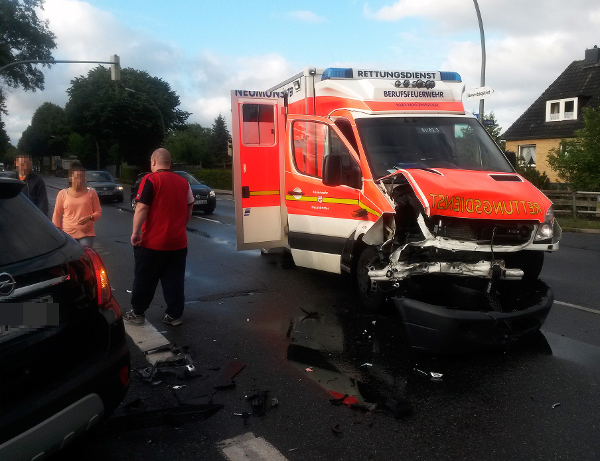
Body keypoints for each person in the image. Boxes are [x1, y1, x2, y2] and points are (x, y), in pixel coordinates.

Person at [125, 148, 194, 327]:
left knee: (144, 278)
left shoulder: (150, 180)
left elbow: (142, 208)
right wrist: (181, 226)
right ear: (169, 163)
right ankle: (174, 315)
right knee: (175, 281)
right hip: (178, 244)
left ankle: (137, 313)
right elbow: (189, 207)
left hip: (152, 244)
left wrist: (135, 232)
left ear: (154, 162)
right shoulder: (184, 182)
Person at [52, 163, 102, 248]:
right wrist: (57, 231)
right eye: (76, 177)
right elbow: (56, 215)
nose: (79, 180)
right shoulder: (62, 194)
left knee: (84, 259)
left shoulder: (91, 193)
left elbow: (98, 211)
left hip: (86, 234)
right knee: (70, 260)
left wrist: (90, 217)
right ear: (70, 178)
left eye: (81, 177)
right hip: (67, 234)